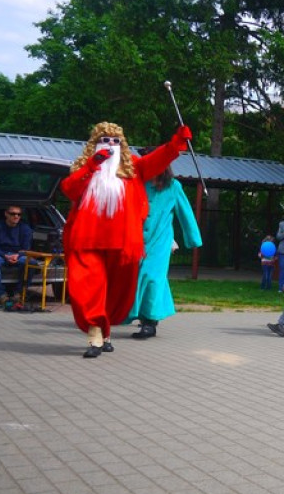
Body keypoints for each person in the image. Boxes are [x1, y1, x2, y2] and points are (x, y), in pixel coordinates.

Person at [61, 121, 189, 358]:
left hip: (122, 244)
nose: (110, 144)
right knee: (87, 288)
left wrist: (176, 143)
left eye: (115, 141)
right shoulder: (85, 168)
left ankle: (104, 332)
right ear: (94, 144)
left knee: (116, 293)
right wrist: (92, 165)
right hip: (87, 241)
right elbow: (69, 189)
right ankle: (95, 335)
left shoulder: (133, 169)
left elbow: (158, 160)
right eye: (105, 140)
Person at [126, 161, 202, 339]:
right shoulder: (138, 184)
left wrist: (193, 239)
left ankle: (149, 323)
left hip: (160, 241)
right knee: (140, 276)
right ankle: (140, 315)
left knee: (152, 277)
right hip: (138, 239)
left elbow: (185, 213)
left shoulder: (173, 187)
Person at [0, 205, 32, 307]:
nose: (16, 216)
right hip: (1, 255)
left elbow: (26, 248)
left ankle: (19, 293)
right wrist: (5, 256)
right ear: (6, 214)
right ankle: (1, 295)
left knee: (31, 262)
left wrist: (17, 255)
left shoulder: (25, 228)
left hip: (18, 255)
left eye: (19, 214)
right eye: (13, 214)